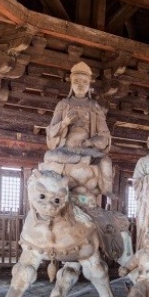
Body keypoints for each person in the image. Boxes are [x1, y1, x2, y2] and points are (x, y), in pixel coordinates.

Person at [43, 62, 114, 203]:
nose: (80, 85)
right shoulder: (63, 104)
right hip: (67, 150)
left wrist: (90, 141)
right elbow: (51, 134)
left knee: (102, 161)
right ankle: (79, 160)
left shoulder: (94, 107)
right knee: (48, 155)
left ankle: (82, 160)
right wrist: (64, 123)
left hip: (86, 150)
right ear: (71, 83)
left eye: (84, 81)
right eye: (76, 81)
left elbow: (105, 137)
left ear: (89, 84)